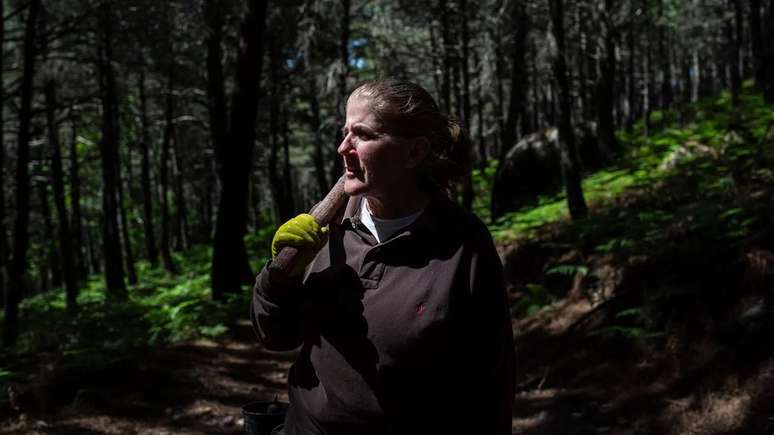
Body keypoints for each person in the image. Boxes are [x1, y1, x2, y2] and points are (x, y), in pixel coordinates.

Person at [251, 79, 514, 435]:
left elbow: (489, 390)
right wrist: (280, 277)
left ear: (414, 152)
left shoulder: (463, 246)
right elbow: (275, 336)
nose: (344, 146)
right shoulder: (327, 230)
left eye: (363, 135)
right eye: (345, 131)